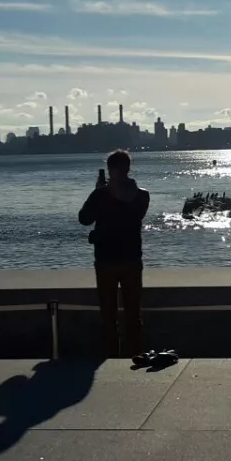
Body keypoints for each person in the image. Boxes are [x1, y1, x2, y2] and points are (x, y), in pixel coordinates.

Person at [78, 150, 150, 357]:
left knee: (108, 315)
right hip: (132, 258)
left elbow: (84, 218)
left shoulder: (101, 195)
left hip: (106, 260)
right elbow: (133, 216)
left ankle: (112, 357)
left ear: (111, 169)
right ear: (128, 168)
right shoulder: (143, 195)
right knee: (133, 313)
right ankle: (135, 354)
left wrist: (98, 192)